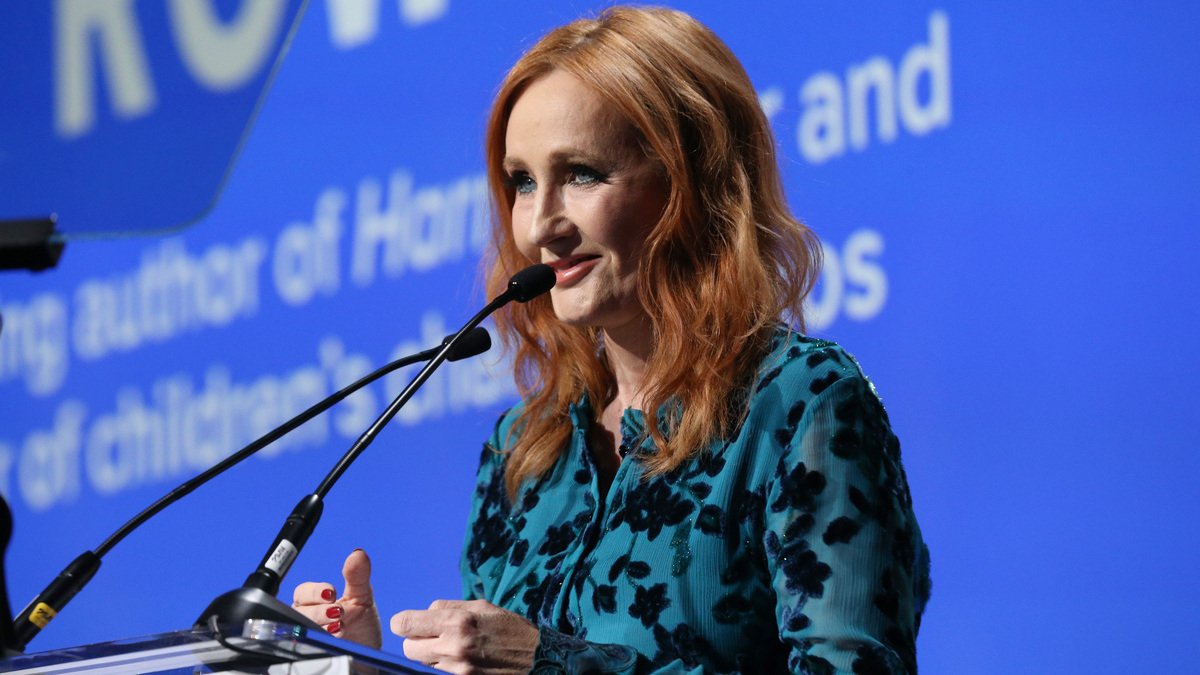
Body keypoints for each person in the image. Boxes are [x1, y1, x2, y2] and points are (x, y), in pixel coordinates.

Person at [293, 6, 930, 674]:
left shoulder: (800, 402)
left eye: (582, 173)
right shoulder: (524, 453)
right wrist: (363, 668)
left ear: (694, 180)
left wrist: (559, 664)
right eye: (522, 181)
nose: (541, 225)